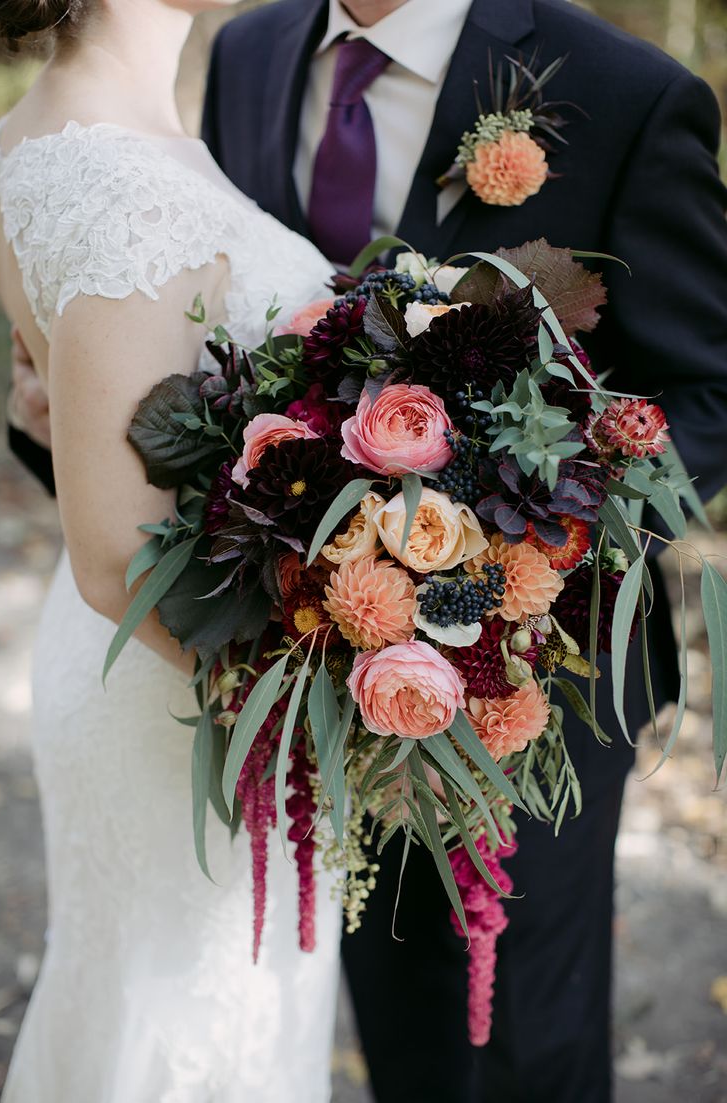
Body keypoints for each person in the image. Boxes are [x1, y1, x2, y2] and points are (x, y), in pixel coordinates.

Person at [197, 2, 727, 1102]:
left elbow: (705, 388)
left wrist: (502, 554)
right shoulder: (248, 54)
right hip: (311, 661)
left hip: (529, 680)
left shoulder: (623, 93)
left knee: (517, 1042)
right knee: (399, 1018)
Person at [0, 2, 344, 1100]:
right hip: (186, 685)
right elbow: (115, 554)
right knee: (190, 1024)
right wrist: (331, 695)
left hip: (160, 660)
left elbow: (95, 409)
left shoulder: (71, 132)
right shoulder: (112, 172)